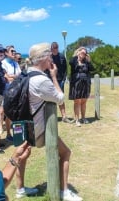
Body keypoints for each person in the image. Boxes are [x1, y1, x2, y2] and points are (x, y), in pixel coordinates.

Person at [17, 42, 82, 201]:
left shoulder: (25, 74)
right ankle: (64, 191)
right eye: (49, 56)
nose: (52, 59)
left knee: (22, 155)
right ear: (44, 58)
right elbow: (60, 99)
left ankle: (20, 189)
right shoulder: (41, 80)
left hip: (24, 125)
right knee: (66, 152)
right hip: (40, 129)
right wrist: (53, 76)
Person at [0, 45, 22, 142]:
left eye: (14, 51)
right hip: (6, 91)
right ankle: (7, 133)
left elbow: (19, 76)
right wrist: (13, 77)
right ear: (6, 53)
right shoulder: (3, 63)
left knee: (16, 113)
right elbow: (6, 77)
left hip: (16, 90)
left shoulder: (15, 63)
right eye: (12, 51)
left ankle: (16, 134)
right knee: (6, 113)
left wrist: (13, 77)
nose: (14, 53)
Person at [69, 47, 94, 127]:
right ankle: (77, 120)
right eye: (82, 52)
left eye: (85, 53)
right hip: (76, 83)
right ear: (78, 52)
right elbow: (70, 62)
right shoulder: (74, 60)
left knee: (84, 101)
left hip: (85, 83)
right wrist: (77, 56)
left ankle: (83, 118)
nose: (83, 54)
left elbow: (92, 69)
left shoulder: (86, 62)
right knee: (77, 102)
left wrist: (89, 60)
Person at [50, 42, 73, 123]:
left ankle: (64, 116)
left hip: (60, 80)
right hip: (50, 80)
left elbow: (66, 69)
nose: (55, 49)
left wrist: (64, 80)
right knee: (50, 99)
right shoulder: (49, 57)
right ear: (51, 48)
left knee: (60, 98)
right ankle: (51, 117)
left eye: (56, 48)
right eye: (53, 48)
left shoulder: (62, 56)